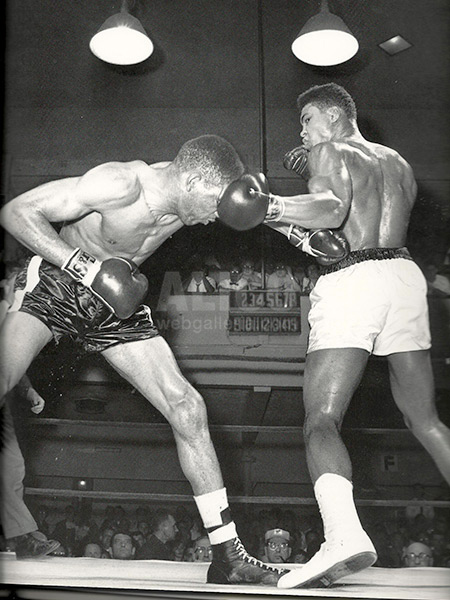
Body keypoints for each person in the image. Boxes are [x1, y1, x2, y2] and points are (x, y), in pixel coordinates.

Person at [0, 135, 284, 584]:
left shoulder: (186, 198)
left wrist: (291, 221)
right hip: (61, 281)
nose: (215, 218)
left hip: (116, 303)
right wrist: (86, 268)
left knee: (187, 406)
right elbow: (15, 212)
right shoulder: (121, 183)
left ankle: (228, 555)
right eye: (212, 205)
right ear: (191, 181)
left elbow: (240, 205)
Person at [216, 83, 450, 588]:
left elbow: (330, 210)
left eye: (305, 120)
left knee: (321, 419)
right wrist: (304, 217)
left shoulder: (329, 149)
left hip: (356, 281)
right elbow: (342, 233)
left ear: (331, 117)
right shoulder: (399, 164)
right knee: (425, 420)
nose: (301, 132)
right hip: (405, 278)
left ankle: (343, 535)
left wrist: (272, 205)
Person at [0, 268, 60, 558]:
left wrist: (28, 391)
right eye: (19, 280)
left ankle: (22, 538)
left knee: (12, 468)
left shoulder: (21, 314)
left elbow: (11, 359)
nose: (24, 285)